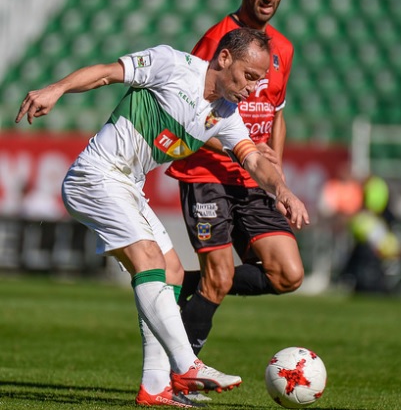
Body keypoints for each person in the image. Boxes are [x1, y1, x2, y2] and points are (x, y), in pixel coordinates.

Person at [15, 27, 309, 408]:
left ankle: (154, 387)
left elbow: (252, 158)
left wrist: (282, 190)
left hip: (128, 186)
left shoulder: (225, 114)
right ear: (223, 59)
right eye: (249, 76)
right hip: (97, 175)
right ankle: (186, 365)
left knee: (170, 271)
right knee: (149, 260)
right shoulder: (172, 64)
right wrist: (55, 89)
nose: (252, 88)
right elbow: (106, 72)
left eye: (258, 81)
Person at [165, 0, 303, 364]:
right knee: (221, 276)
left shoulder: (283, 49)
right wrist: (237, 148)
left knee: (288, 274)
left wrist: (277, 173)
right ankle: (181, 372)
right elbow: (187, 106)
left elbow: (276, 114)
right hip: (207, 171)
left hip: (252, 176)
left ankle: (185, 284)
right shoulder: (218, 38)